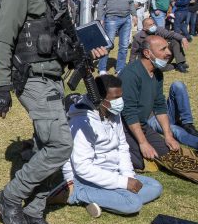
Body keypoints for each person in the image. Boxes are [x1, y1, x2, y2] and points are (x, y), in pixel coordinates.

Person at [0, 0, 107, 224]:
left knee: (46, 146)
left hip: (52, 77)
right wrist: (0, 87)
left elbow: (54, 38)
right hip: (32, 78)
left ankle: (34, 212)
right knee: (60, 145)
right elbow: (3, 39)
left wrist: (83, 51)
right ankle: (10, 198)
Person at [63, 75, 163, 216]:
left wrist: (128, 176)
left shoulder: (113, 112)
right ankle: (77, 193)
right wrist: (123, 183)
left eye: (121, 96)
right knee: (133, 203)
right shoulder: (82, 122)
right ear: (100, 100)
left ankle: (104, 199)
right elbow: (83, 168)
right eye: (115, 98)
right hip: (88, 179)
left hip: (114, 173)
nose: (120, 102)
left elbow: (122, 147)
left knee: (155, 186)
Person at [119, 35, 198, 171]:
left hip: (142, 125)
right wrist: (143, 143)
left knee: (166, 153)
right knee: (139, 161)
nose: (168, 52)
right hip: (122, 127)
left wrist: (168, 136)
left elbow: (160, 106)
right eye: (163, 49)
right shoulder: (131, 74)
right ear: (147, 53)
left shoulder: (157, 73)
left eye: (167, 48)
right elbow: (129, 112)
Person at [98, 0, 136, 74]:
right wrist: (100, 17)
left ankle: (120, 69)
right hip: (111, 19)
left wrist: (134, 15)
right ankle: (102, 68)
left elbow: (131, 2)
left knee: (124, 46)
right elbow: (101, 2)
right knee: (108, 45)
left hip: (126, 19)